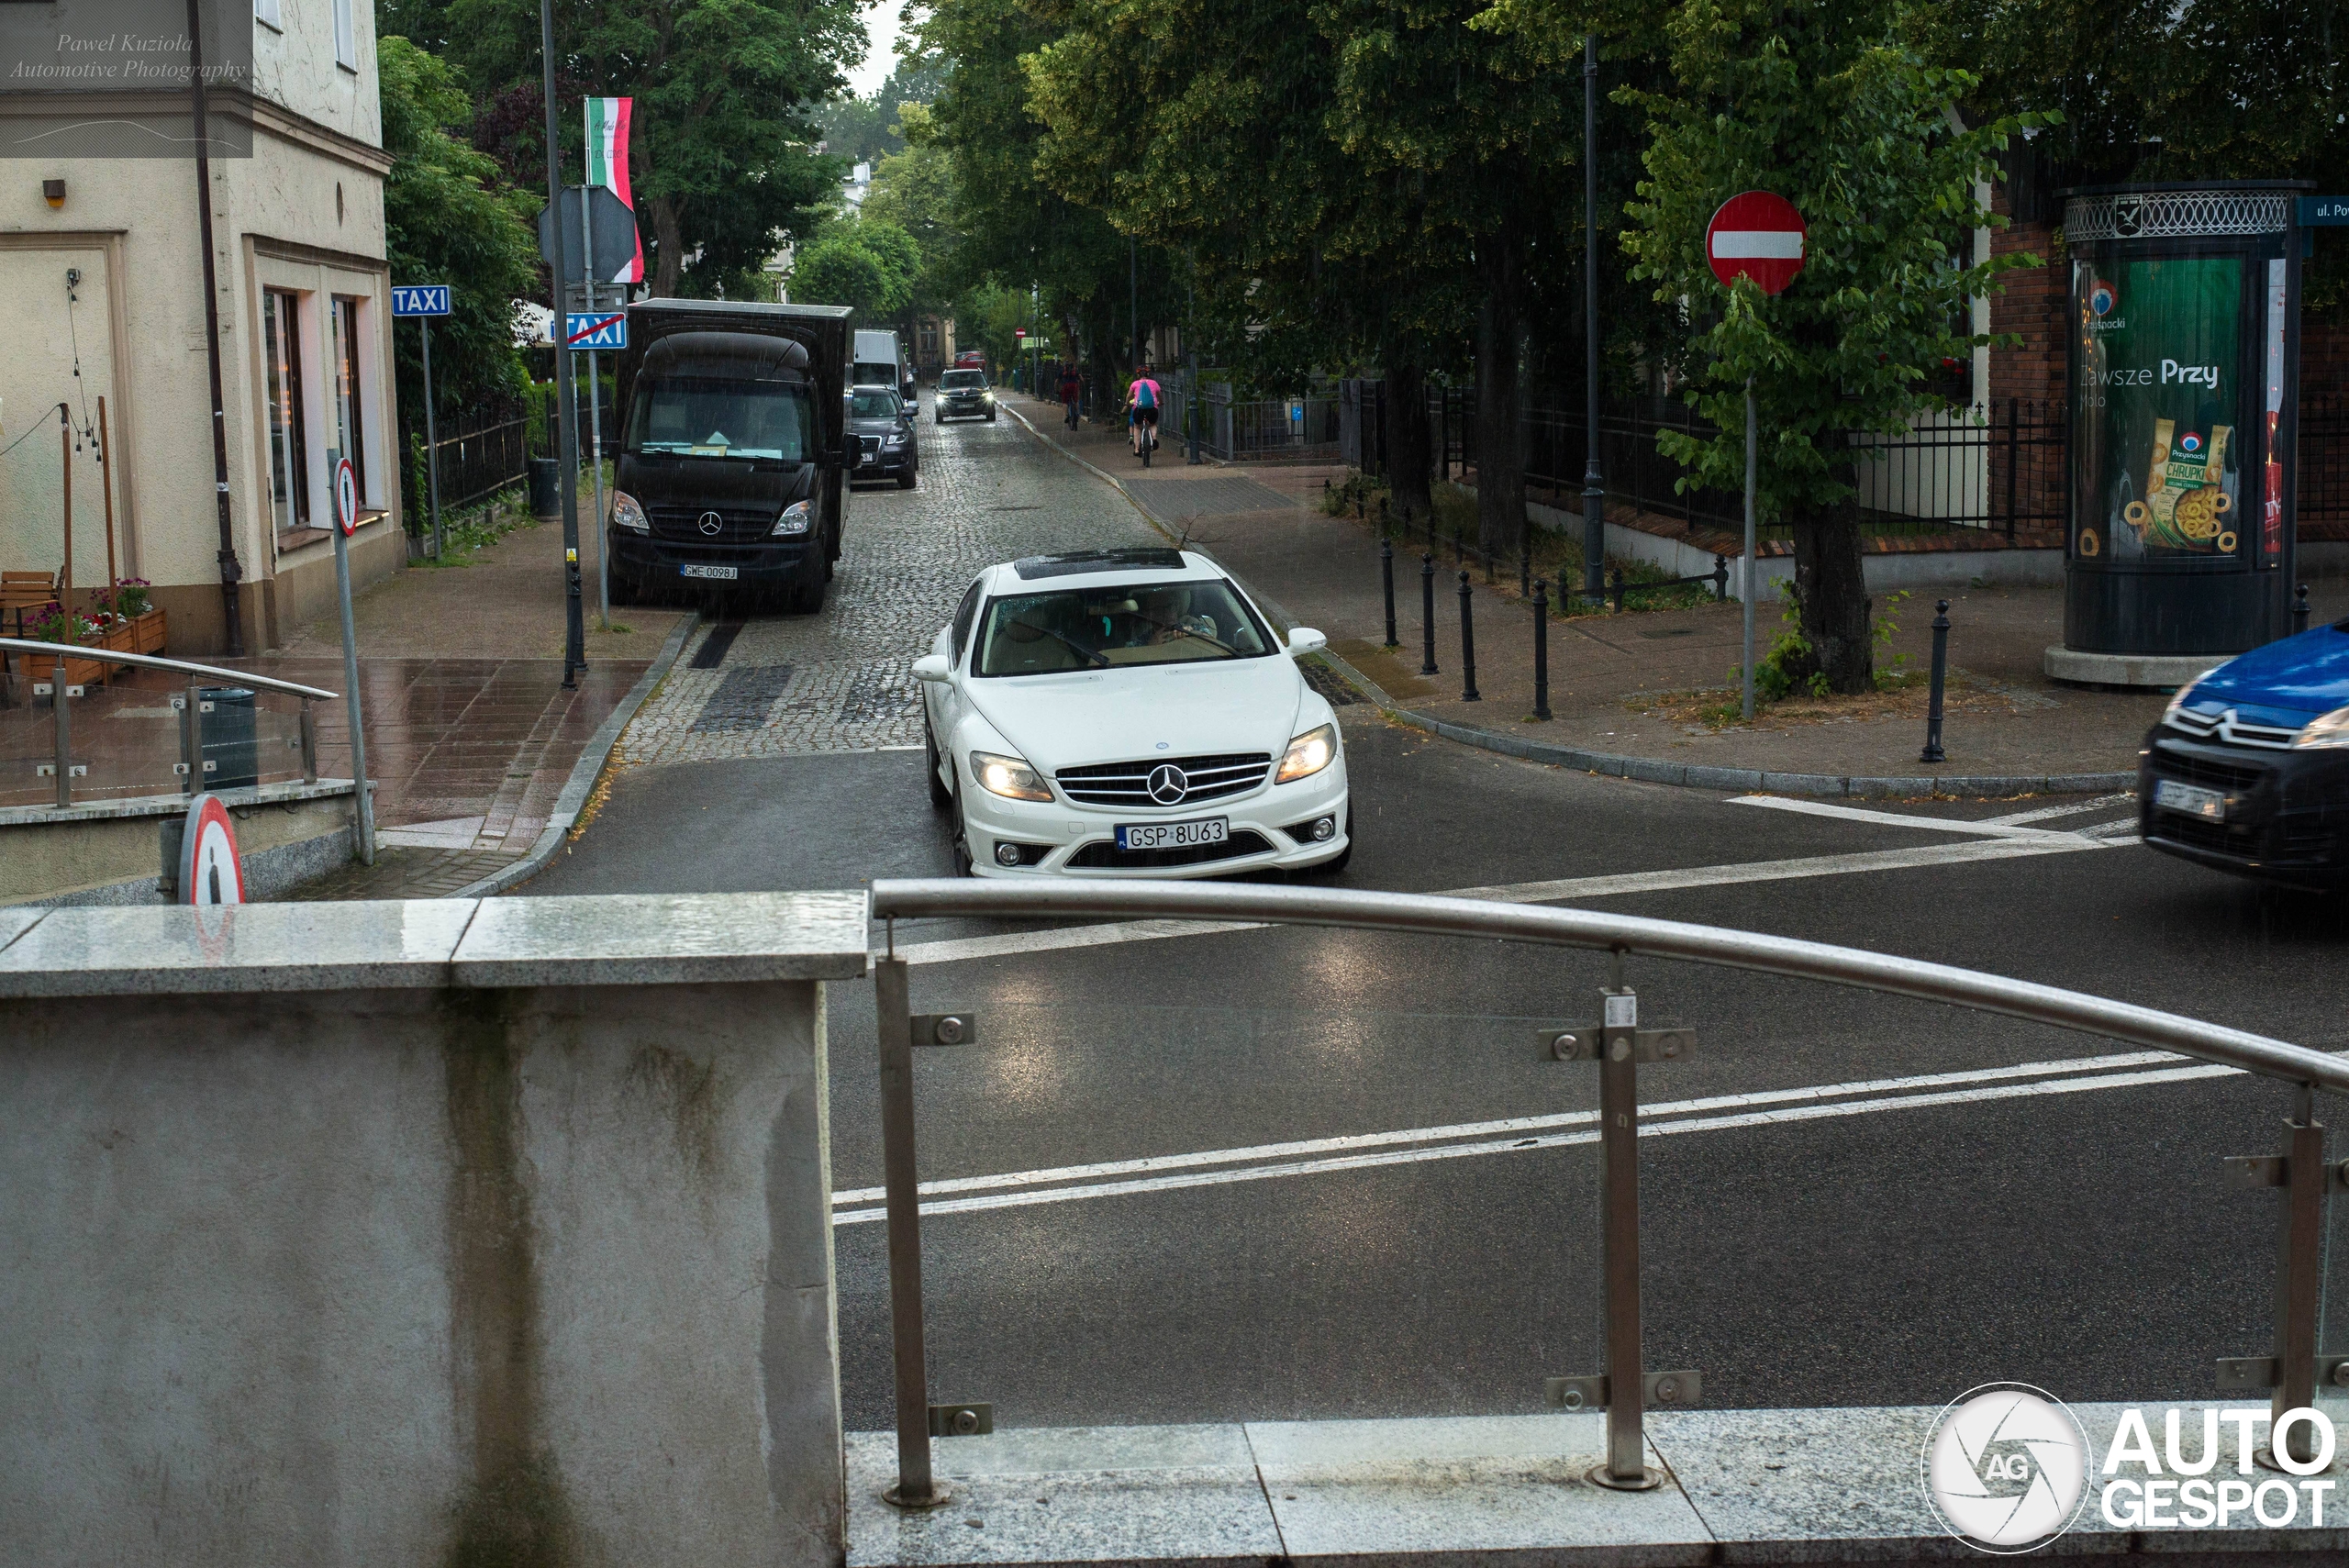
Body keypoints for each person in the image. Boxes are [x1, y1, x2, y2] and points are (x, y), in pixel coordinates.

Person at [1126, 368, 1162, 456]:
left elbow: (1129, 396)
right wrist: (1160, 402)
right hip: (1152, 409)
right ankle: (1154, 438)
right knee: (1152, 424)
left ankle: (1137, 449)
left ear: (1139, 375)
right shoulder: (1154, 383)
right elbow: (1159, 395)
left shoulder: (1135, 384)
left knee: (1137, 427)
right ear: (1148, 374)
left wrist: (1127, 404)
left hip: (1139, 409)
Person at [1058, 363, 1081, 430]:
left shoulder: (1062, 371)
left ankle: (1067, 416)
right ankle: (1077, 413)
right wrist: (1082, 383)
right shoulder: (1075, 371)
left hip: (1066, 386)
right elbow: (1081, 378)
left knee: (1065, 402)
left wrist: (1056, 388)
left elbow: (1057, 381)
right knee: (1076, 400)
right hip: (1074, 386)